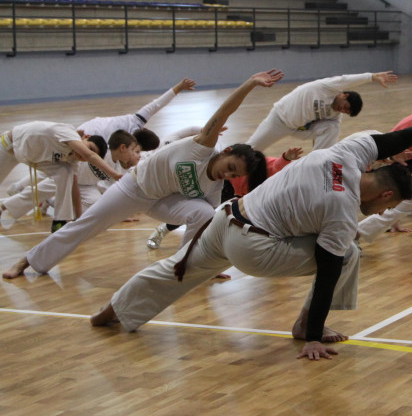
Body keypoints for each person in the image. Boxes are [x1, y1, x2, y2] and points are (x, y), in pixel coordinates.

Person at [88, 102, 412, 361]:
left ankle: (113, 311)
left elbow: (397, 138)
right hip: (254, 249)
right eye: (388, 205)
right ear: (386, 192)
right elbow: (328, 267)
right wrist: (314, 335)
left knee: (178, 268)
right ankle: (304, 327)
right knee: (347, 252)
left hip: (225, 218)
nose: (384, 211)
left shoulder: (347, 152)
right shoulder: (341, 209)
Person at [2, 70, 283, 280]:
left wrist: (206, 262)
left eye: (234, 175)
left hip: (161, 202)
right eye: (231, 166)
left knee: (205, 215)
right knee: (86, 224)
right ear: (227, 151)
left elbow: (203, 231)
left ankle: (183, 265)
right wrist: (249, 84)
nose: (227, 173)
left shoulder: (215, 187)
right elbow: (224, 112)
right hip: (134, 188)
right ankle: (28, 262)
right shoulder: (203, 147)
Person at [146, 146, 303, 250]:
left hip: (239, 196)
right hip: (224, 187)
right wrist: (287, 157)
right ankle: (163, 230)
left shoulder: (280, 188)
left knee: (217, 221)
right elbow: (277, 165)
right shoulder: (267, 166)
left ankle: (211, 249)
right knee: (202, 215)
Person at [1, 130, 141, 230]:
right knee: (49, 185)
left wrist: (117, 213)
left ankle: (53, 204)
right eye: (134, 151)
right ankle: (8, 203)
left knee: (95, 204)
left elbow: (111, 193)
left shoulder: (119, 167)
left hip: (85, 186)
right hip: (69, 176)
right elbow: (88, 154)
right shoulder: (95, 151)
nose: (137, 155)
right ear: (123, 148)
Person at [247, 71, 398, 153]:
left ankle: (318, 163)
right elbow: (346, 79)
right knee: (250, 149)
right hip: (279, 120)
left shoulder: (335, 116)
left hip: (298, 129)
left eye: (346, 112)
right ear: (344, 95)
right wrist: (371, 77)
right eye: (345, 107)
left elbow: (330, 136)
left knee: (332, 128)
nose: (342, 111)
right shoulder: (327, 87)